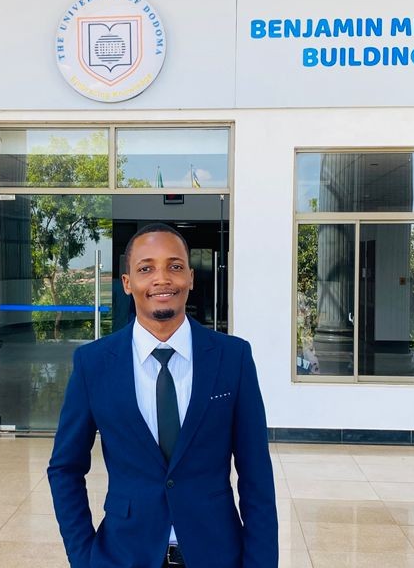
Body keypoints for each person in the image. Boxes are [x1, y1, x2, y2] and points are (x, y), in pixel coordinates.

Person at [47, 223, 278, 568]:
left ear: (190, 277)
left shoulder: (233, 358)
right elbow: (65, 468)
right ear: (127, 283)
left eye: (174, 266)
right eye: (145, 268)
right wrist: (85, 559)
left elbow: (256, 472)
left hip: (217, 554)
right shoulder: (93, 364)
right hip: (122, 555)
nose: (162, 279)